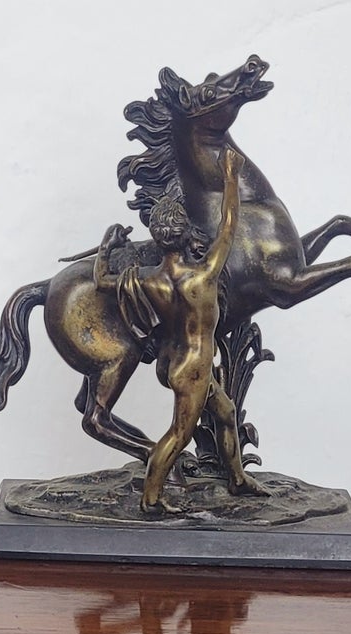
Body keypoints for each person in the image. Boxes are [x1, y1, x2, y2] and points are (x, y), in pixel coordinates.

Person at [94, 144, 256, 514]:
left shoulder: (148, 279)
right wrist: (231, 177)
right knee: (179, 434)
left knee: (226, 412)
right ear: (185, 237)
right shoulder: (204, 274)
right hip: (195, 367)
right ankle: (151, 498)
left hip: (172, 362)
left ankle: (237, 478)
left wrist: (107, 246)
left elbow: (103, 280)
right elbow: (229, 225)